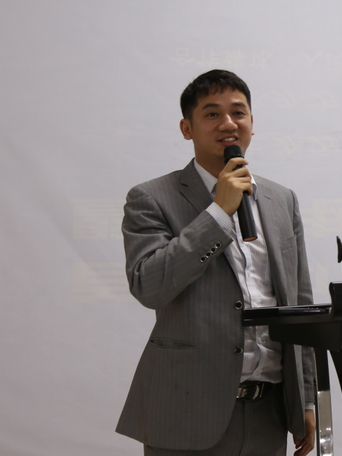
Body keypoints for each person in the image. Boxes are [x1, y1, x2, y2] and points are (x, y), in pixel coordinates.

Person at [116, 70, 316, 456]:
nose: (228, 123)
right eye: (211, 114)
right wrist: (218, 213)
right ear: (186, 128)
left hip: (270, 413)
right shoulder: (151, 198)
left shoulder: (281, 200)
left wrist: (307, 399)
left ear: (252, 122)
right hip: (185, 411)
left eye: (238, 112)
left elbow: (300, 305)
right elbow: (149, 286)